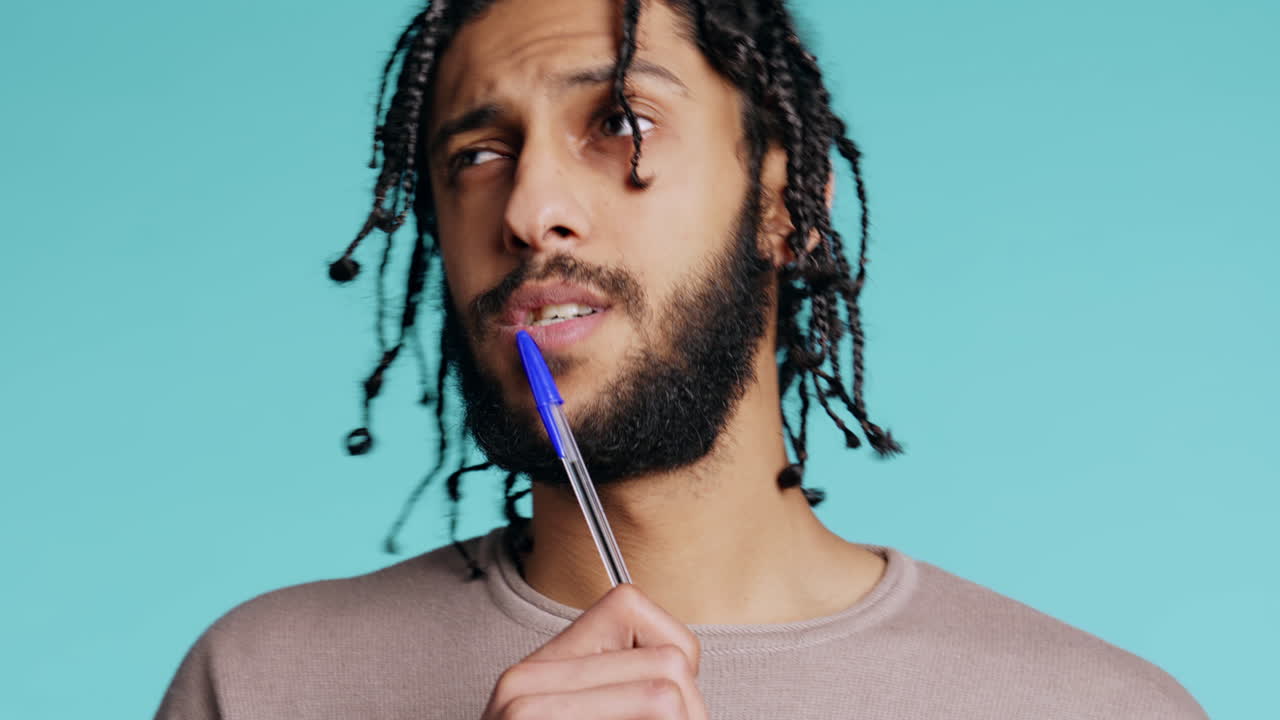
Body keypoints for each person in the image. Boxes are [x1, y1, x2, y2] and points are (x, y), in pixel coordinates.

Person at [155, 0, 1209, 717]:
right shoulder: (262, 684)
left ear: (783, 206)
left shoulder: (1091, 707)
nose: (529, 211)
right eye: (478, 156)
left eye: (617, 123)